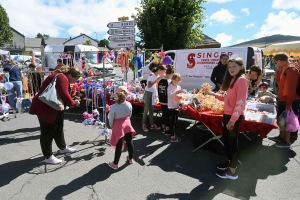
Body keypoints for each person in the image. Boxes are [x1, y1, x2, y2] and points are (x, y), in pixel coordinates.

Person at [207, 57, 249, 180]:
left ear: (241, 67)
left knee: (232, 143)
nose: (231, 69)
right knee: (226, 141)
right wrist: (214, 94)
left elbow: (240, 103)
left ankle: (233, 172)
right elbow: (229, 98)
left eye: (234, 66)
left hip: (233, 117)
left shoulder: (241, 80)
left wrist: (233, 119)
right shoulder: (233, 79)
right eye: (229, 67)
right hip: (228, 115)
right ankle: (230, 162)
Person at [29, 66, 81, 164]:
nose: (74, 81)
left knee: (58, 128)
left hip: (54, 106)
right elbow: (64, 94)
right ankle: (48, 156)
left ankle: (62, 147)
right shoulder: (62, 77)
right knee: (47, 132)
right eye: (75, 79)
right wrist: (74, 103)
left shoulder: (60, 76)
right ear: (70, 75)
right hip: (47, 108)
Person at [269, 52, 300, 147]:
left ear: (280, 60)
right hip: (283, 98)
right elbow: (280, 84)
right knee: (281, 119)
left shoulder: (291, 70)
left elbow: (291, 88)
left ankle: (286, 141)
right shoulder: (284, 68)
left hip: (290, 99)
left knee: (287, 120)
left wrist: (289, 102)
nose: (276, 64)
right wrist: (278, 72)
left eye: (276, 62)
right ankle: (281, 137)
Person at [108, 86, 135, 169]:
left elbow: (111, 118)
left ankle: (115, 163)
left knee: (118, 145)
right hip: (127, 125)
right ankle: (130, 159)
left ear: (117, 94)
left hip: (118, 126)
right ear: (126, 94)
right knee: (129, 142)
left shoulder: (114, 106)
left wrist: (111, 125)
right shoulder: (129, 104)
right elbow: (129, 115)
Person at [142, 65, 166, 132]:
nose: (163, 73)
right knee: (146, 109)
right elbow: (149, 85)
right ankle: (143, 124)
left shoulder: (158, 76)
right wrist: (157, 80)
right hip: (148, 92)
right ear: (159, 70)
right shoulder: (151, 75)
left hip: (153, 93)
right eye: (163, 71)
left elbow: (156, 86)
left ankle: (152, 124)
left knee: (151, 109)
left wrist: (158, 94)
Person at [158, 65, 174, 134]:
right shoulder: (169, 81)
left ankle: (163, 126)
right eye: (172, 75)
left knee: (163, 114)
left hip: (161, 100)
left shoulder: (161, 80)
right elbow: (171, 92)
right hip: (167, 101)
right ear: (170, 74)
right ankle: (167, 129)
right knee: (167, 115)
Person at [168, 73, 184, 142]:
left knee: (175, 122)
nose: (176, 81)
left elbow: (180, 95)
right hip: (171, 106)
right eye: (175, 80)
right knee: (172, 122)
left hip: (177, 106)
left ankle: (174, 134)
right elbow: (170, 96)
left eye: (178, 80)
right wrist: (177, 92)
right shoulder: (170, 87)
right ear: (172, 79)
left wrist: (181, 96)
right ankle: (172, 137)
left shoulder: (178, 87)